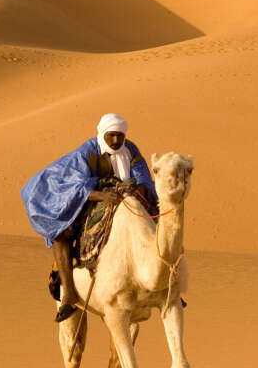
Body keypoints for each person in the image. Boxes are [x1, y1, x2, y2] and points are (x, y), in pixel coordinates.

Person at [21, 114, 158, 321]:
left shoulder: (130, 150)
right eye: (111, 136)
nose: (115, 141)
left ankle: (167, 283)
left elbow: (144, 177)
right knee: (62, 233)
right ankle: (68, 292)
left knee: (160, 224)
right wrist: (102, 194)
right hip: (92, 199)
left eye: (119, 136)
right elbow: (75, 184)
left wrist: (137, 189)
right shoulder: (87, 152)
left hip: (128, 198)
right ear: (103, 134)